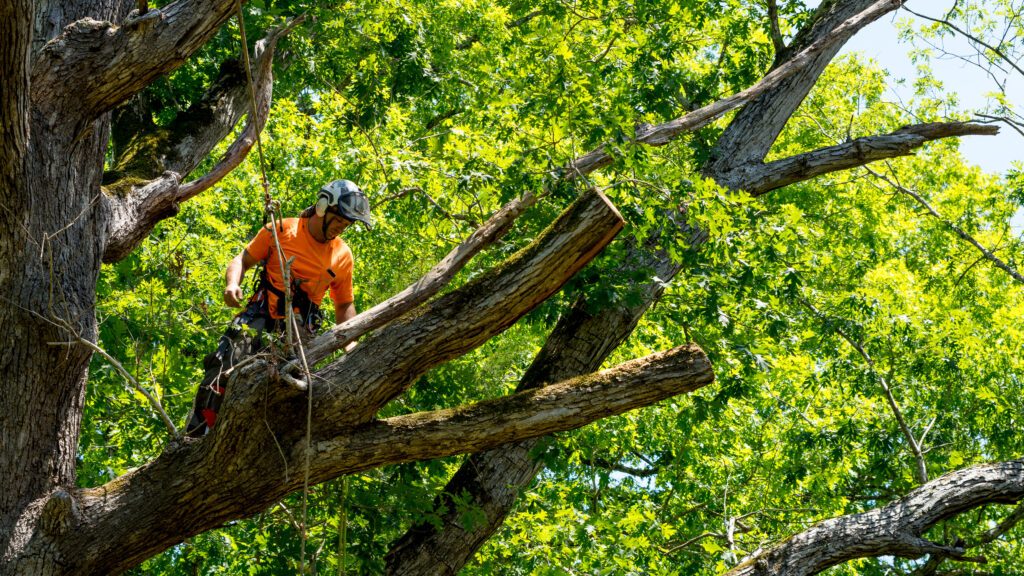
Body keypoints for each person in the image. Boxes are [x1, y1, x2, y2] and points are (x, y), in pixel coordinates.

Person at [185, 179, 373, 438]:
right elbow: (243, 259)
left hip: (300, 330)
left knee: (290, 392)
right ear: (322, 207)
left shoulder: (342, 255)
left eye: (347, 224)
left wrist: (351, 344)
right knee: (222, 369)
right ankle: (197, 434)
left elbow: (344, 305)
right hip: (261, 314)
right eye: (339, 220)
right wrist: (232, 285)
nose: (342, 228)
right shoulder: (282, 229)